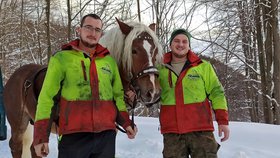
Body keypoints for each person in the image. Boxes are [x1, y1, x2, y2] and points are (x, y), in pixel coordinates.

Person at [33, 13, 137, 158]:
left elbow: (118, 97)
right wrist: (40, 136)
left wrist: (126, 122)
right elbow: (46, 98)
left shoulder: (109, 62)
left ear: (101, 34)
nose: (93, 33)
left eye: (97, 30)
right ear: (79, 30)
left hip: (106, 137)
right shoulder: (61, 59)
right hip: (73, 136)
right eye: (88, 27)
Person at [158, 29, 230, 158]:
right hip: (172, 132)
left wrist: (222, 121)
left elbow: (217, 93)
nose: (181, 44)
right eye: (177, 41)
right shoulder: (160, 68)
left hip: (201, 131)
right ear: (170, 44)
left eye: (184, 41)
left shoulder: (203, 66)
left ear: (189, 45)